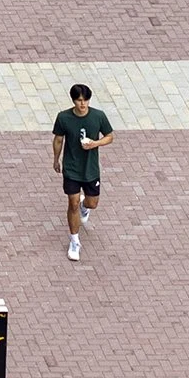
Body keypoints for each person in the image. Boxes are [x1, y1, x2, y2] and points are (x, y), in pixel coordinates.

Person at [52, 80, 114, 262]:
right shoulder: (63, 118)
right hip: (71, 168)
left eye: (85, 100)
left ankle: (84, 207)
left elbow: (110, 136)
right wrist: (56, 160)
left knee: (93, 203)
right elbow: (58, 140)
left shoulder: (98, 116)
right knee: (71, 203)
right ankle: (74, 241)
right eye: (79, 100)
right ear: (73, 101)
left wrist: (95, 143)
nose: (82, 104)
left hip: (90, 169)